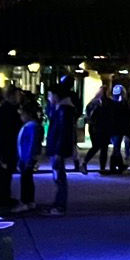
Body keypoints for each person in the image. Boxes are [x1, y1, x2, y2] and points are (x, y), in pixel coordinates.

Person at [41, 87, 78, 215]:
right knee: (58, 177)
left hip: (58, 149)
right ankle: (58, 203)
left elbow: (63, 133)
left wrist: (58, 152)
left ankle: (60, 205)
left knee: (59, 177)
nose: (49, 98)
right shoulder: (59, 109)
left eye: (50, 95)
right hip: (57, 148)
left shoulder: (63, 110)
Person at [14, 99, 45, 210]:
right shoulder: (32, 126)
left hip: (27, 158)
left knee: (25, 180)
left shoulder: (31, 126)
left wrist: (30, 158)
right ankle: (30, 201)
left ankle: (25, 201)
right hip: (26, 157)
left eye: (22, 114)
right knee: (27, 179)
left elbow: (32, 143)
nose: (21, 117)